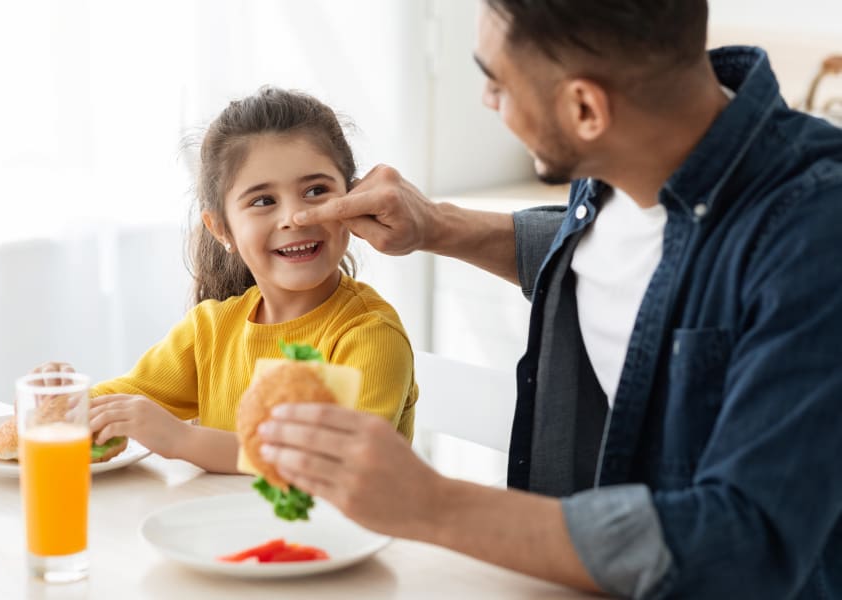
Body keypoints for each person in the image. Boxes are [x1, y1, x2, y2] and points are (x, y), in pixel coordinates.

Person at [257, 1, 842, 598]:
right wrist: (437, 226)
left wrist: (432, 505)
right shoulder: (627, 146)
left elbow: (745, 545)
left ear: (585, 108)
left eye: (497, 81)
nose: (487, 100)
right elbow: (615, 262)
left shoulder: (816, 235)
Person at [33, 87, 417, 474]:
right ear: (221, 230)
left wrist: (181, 439)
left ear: (352, 200)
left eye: (316, 191)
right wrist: (52, 399)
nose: (295, 217)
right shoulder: (209, 330)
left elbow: (334, 463)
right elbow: (108, 409)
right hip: (229, 530)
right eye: (263, 201)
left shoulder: (369, 334)